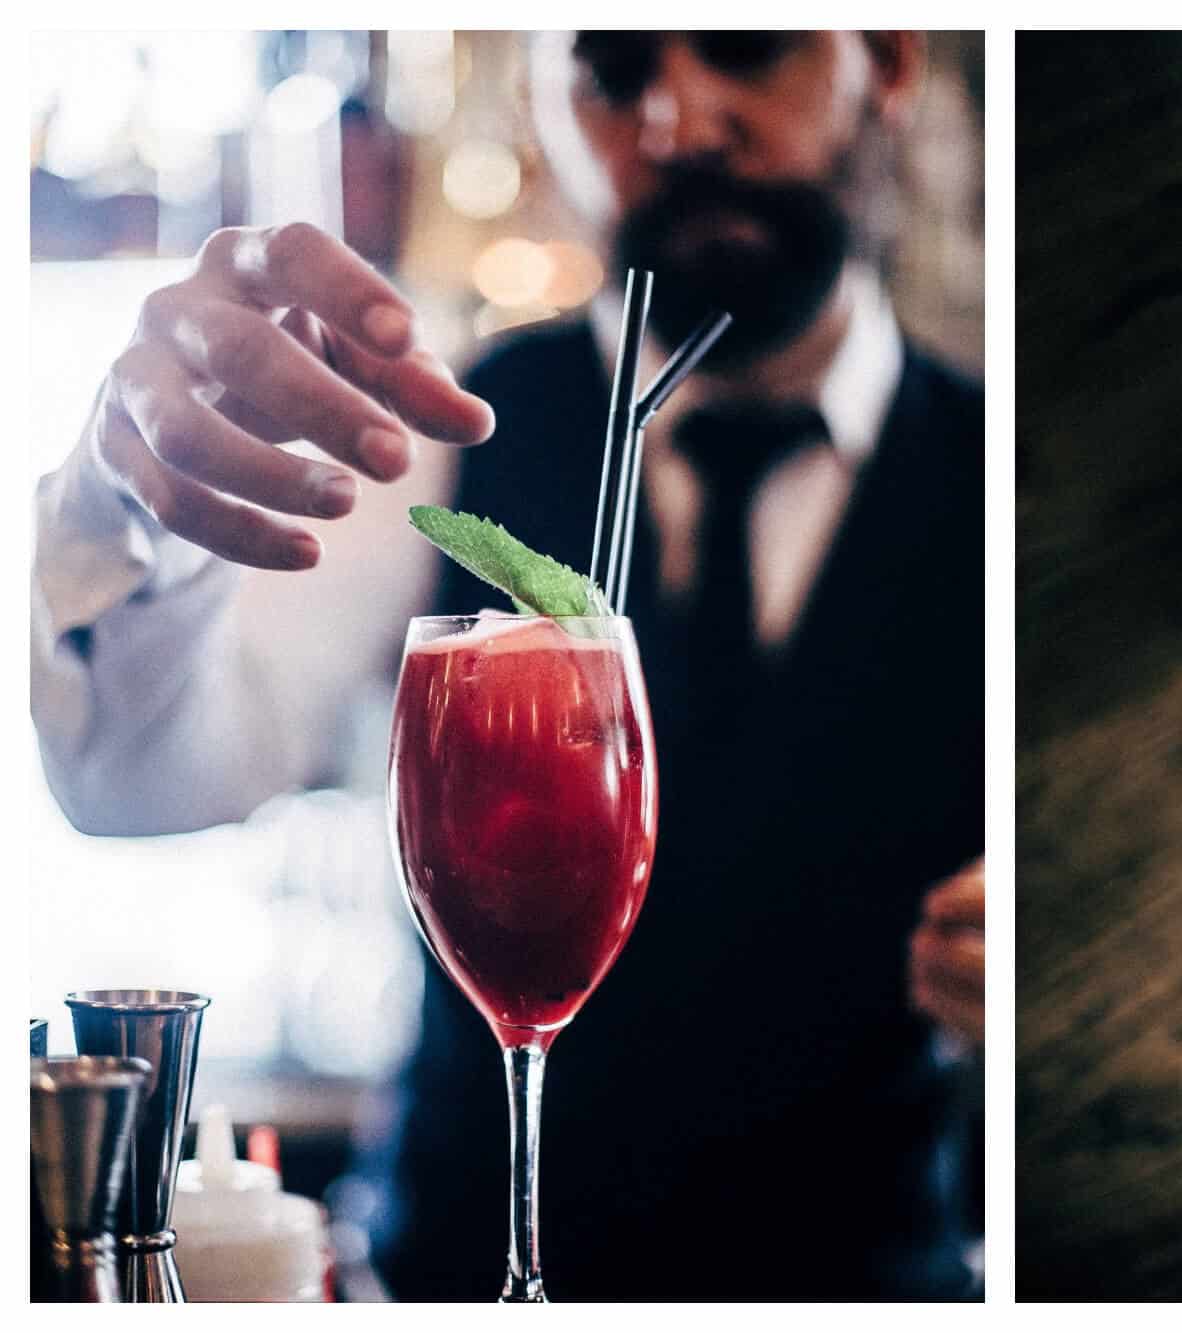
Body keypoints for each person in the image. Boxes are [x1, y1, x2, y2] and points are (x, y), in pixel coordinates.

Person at [31, 31, 984, 1300]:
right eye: (610, 65)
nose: (679, 119)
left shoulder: (1010, 477)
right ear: (542, 98)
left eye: (750, 45)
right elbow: (137, 788)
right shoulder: (436, 433)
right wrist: (133, 513)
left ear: (891, 62)